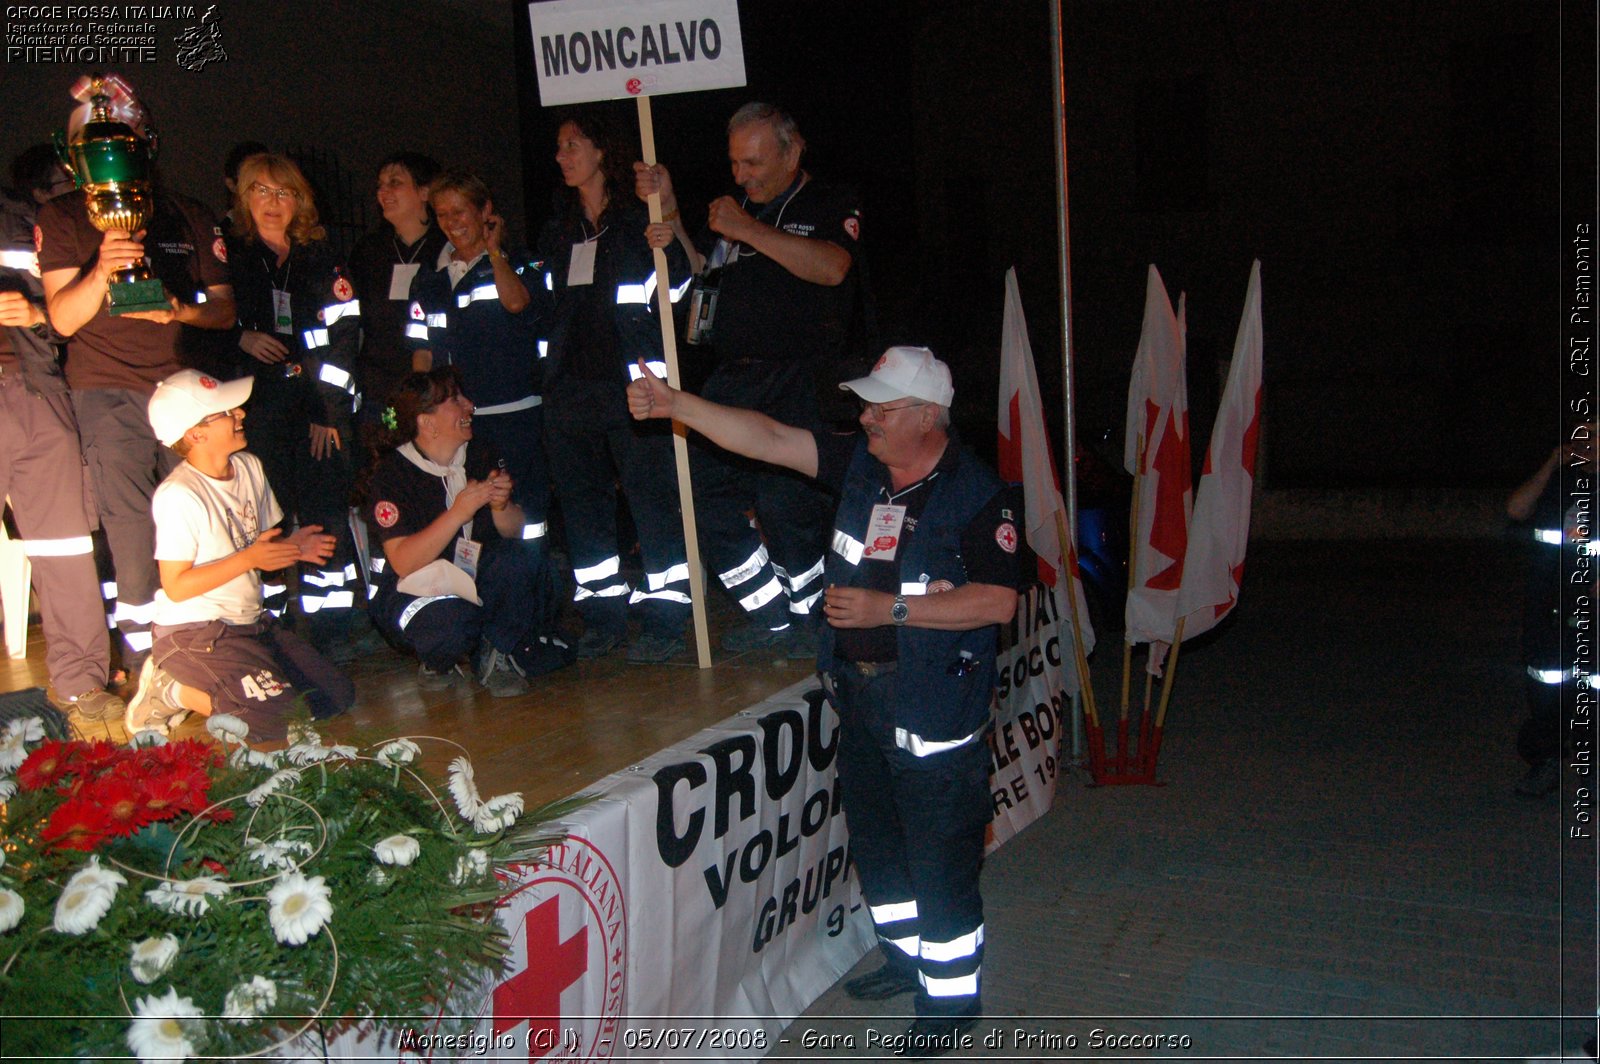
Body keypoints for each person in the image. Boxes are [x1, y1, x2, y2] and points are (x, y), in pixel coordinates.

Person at [628, 345, 1026, 1053]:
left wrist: (890, 613)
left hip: (932, 715)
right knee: (879, 848)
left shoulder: (976, 497)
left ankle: (951, 1000)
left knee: (940, 864)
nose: (866, 417)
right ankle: (907, 962)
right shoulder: (866, 469)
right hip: (861, 702)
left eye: (883, 407)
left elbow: (997, 601)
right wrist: (677, 406)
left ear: (929, 417)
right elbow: (772, 438)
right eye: (866, 403)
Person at [636, 102, 862, 655]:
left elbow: (832, 268)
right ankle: (769, 609)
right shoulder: (734, 213)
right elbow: (705, 282)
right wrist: (676, 225)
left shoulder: (828, 201)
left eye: (755, 162)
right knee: (690, 485)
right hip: (731, 379)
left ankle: (813, 618)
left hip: (799, 379)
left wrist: (749, 228)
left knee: (785, 501)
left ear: (793, 149)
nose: (742, 176)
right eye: (735, 163)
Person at [37, 95, 235, 674]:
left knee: (196, 517)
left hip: (184, 390)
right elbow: (62, 319)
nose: (110, 151)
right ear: (76, 156)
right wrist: (102, 268)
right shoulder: (63, 217)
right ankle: (148, 662)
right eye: (95, 142)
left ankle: (205, 648)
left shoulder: (189, 214)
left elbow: (224, 311)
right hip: (105, 389)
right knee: (130, 528)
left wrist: (179, 311)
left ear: (146, 142)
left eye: (121, 138)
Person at [538, 108, 691, 663]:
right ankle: (602, 615)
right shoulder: (557, 231)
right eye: (558, 147)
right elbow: (545, 313)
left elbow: (679, 298)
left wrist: (668, 243)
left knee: (652, 505)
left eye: (572, 143)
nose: (562, 155)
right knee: (582, 510)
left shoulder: (637, 223)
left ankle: (666, 617)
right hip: (569, 395)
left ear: (602, 151)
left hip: (633, 389)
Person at [126, 368, 354, 741]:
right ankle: (167, 691)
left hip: (250, 624)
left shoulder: (249, 467)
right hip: (197, 632)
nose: (240, 415)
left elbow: (258, 543)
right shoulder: (179, 496)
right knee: (277, 722)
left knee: (334, 697)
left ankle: (237, 687)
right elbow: (177, 586)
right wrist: (249, 559)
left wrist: (296, 545)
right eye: (226, 412)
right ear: (196, 433)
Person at [0, 146, 124, 728]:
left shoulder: (51, 226)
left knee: (66, 548)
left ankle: (80, 684)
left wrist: (34, 315)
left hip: (41, 390)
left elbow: (68, 318)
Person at [357, 368, 572, 697]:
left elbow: (513, 530)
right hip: (413, 589)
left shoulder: (481, 453)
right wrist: (459, 512)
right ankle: (438, 660)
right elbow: (404, 562)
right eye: (456, 400)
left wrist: (501, 507)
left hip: (470, 575)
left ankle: (496, 651)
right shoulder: (392, 474)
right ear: (427, 422)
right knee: (452, 624)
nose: (470, 405)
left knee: (521, 559)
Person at [228, 153, 361, 644]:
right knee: (264, 524)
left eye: (283, 192)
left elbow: (346, 336)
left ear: (299, 201)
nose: (272, 202)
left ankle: (333, 632)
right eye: (260, 190)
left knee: (325, 519)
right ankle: (271, 631)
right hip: (256, 416)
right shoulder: (233, 258)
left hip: (316, 415)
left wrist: (329, 410)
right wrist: (240, 339)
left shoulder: (323, 259)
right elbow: (208, 324)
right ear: (244, 198)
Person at [1506, 428, 1597, 797]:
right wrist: (1549, 465)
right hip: (1549, 604)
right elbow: (1516, 509)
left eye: (1594, 435)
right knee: (1546, 684)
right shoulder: (1558, 481)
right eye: (1581, 435)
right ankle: (1546, 762)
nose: (1584, 442)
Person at [348, 152, 446, 446]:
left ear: (425, 191)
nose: (384, 193)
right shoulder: (370, 250)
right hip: (379, 390)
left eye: (395, 183)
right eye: (380, 185)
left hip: (432, 389)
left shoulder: (444, 248)